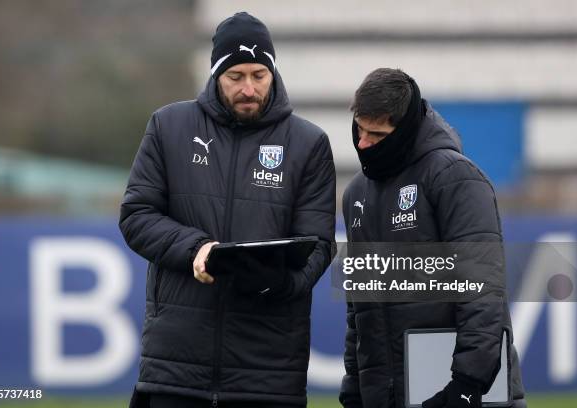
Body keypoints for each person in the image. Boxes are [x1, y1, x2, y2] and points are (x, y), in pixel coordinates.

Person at [119, 12, 335, 408]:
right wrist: (196, 248)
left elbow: (319, 243)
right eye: (236, 76)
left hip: (267, 372)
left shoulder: (309, 143)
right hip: (177, 367)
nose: (249, 88)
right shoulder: (169, 126)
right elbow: (136, 215)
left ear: (273, 72)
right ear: (216, 73)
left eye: (259, 75)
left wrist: (281, 283)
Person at [339, 68, 526, 408]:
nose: (363, 143)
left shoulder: (454, 178)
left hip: (460, 394)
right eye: (359, 130)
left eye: (376, 135)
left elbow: (481, 290)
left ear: (404, 130)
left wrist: (468, 384)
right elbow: (360, 304)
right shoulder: (356, 194)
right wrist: (354, 383)